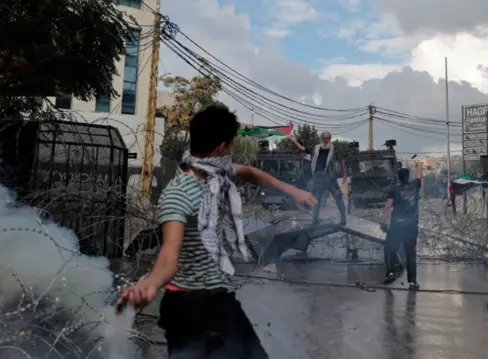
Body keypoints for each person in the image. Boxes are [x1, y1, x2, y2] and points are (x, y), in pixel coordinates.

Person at [118, 106, 317, 359]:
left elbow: (249, 172)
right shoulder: (179, 194)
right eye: (231, 146)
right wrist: (149, 284)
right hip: (188, 310)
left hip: (219, 299)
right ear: (222, 148)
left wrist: (292, 191)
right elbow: (169, 255)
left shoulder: (215, 172)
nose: (232, 152)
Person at [379, 163, 423, 290]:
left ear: (398, 177)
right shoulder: (415, 185)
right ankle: (413, 282)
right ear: (408, 176)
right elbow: (420, 176)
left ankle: (391, 273)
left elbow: (388, 206)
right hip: (412, 226)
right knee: (410, 254)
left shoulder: (394, 189)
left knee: (389, 248)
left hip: (397, 225)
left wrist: (382, 221)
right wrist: (418, 165)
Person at [288, 132, 348, 225]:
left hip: (330, 178)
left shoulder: (334, 149)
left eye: (327, 138)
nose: (326, 140)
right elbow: (303, 149)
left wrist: (344, 175)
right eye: (324, 138)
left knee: (338, 197)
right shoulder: (316, 148)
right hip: (319, 178)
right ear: (322, 139)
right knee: (316, 200)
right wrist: (293, 141)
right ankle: (315, 220)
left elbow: (342, 161)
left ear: (330, 138)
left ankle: (343, 219)